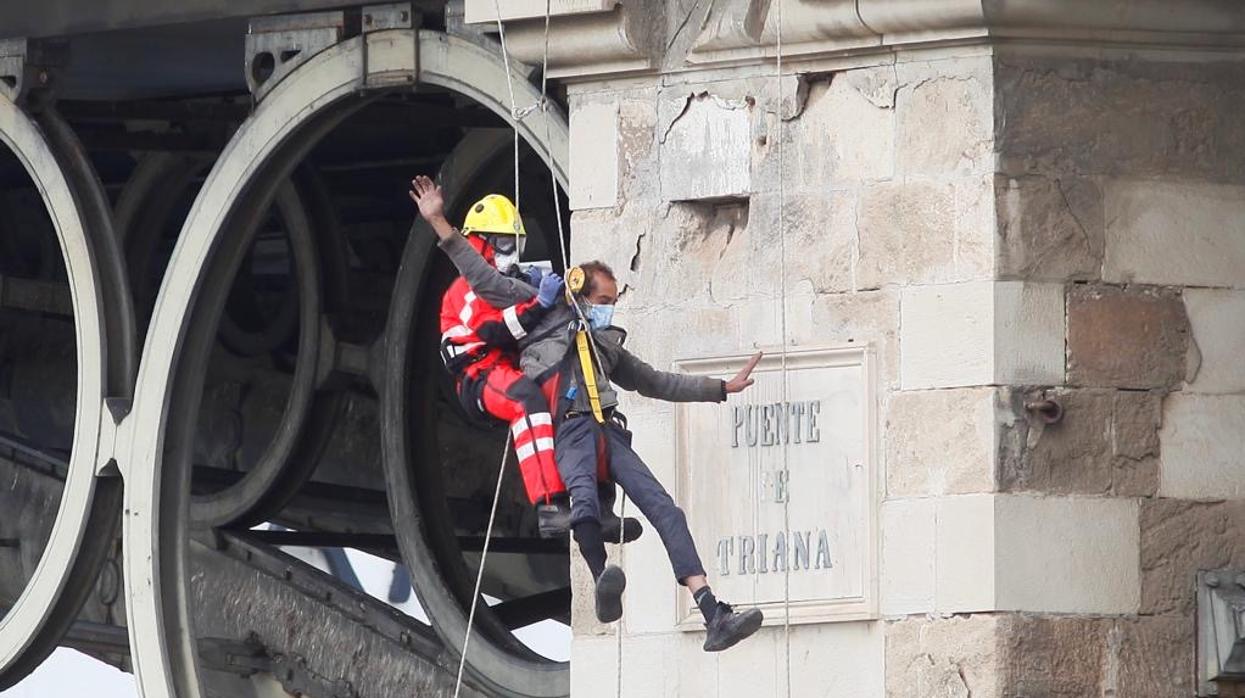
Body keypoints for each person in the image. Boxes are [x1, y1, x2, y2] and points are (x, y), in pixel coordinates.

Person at [410, 176, 765, 652]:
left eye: (612, 305)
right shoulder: (544, 313)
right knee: (582, 505)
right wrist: (440, 222)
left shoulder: (605, 344)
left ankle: (711, 611)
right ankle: (602, 578)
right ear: (578, 290)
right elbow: (484, 278)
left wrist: (721, 387)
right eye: (602, 302)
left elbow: (655, 381)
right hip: (570, 428)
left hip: (607, 432)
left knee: (665, 508)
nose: (607, 311)